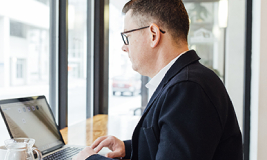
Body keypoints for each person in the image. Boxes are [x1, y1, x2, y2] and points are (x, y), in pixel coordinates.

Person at [72, 0, 243, 159]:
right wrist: (128, 148)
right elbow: (172, 144)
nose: (124, 47)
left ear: (153, 34)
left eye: (127, 37)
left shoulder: (188, 88)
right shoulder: (185, 80)